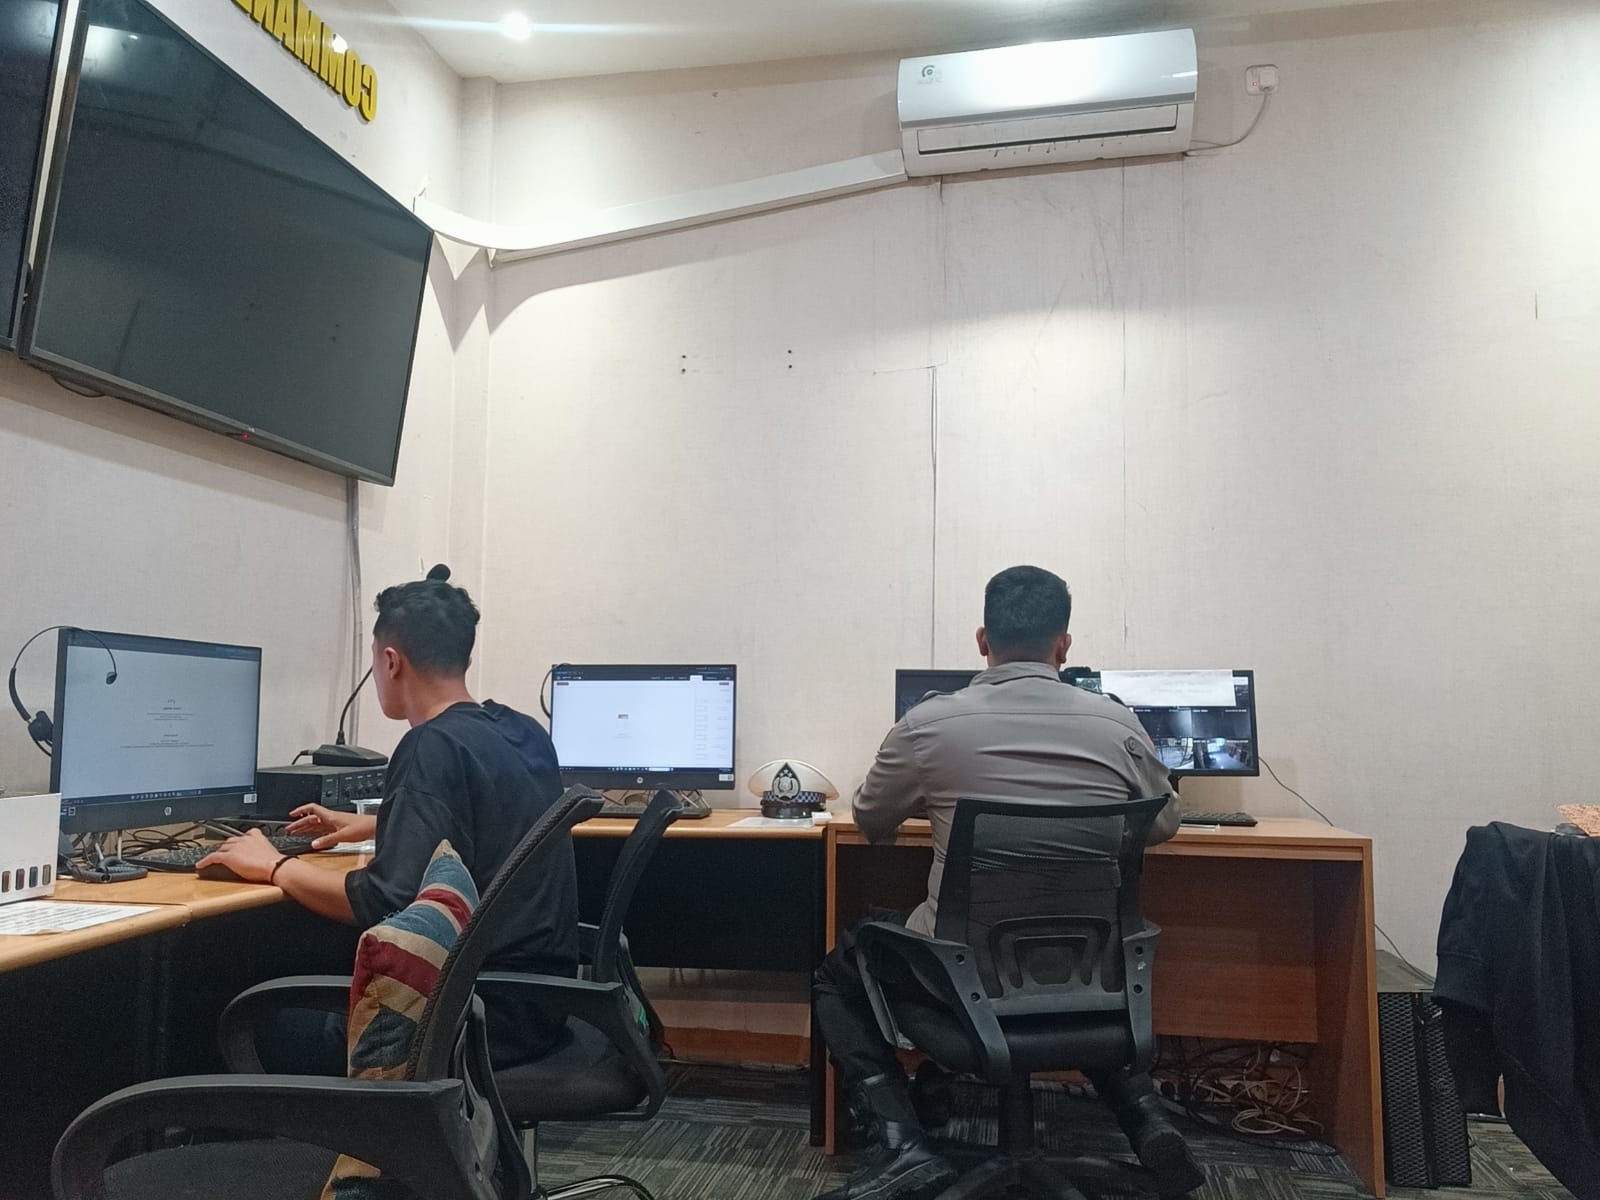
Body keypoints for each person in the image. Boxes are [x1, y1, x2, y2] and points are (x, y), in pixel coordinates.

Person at [811, 565, 1200, 1200]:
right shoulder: (1118, 724)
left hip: (965, 980)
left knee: (840, 968)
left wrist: (936, 793)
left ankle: (902, 1144)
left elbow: (871, 821)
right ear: (1064, 645)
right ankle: (1145, 1118)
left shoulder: (927, 725)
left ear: (982, 640)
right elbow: (1162, 825)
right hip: (1092, 978)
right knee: (1068, 957)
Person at [198, 566, 577, 1070]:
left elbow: (386, 899)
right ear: (463, 656)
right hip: (538, 1002)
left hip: (472, 1018)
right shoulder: (521, 729)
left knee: (231, 1009)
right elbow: (500, 821)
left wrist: (274, 866)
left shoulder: (430, 744)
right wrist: (384, 822)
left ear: (391, 661)